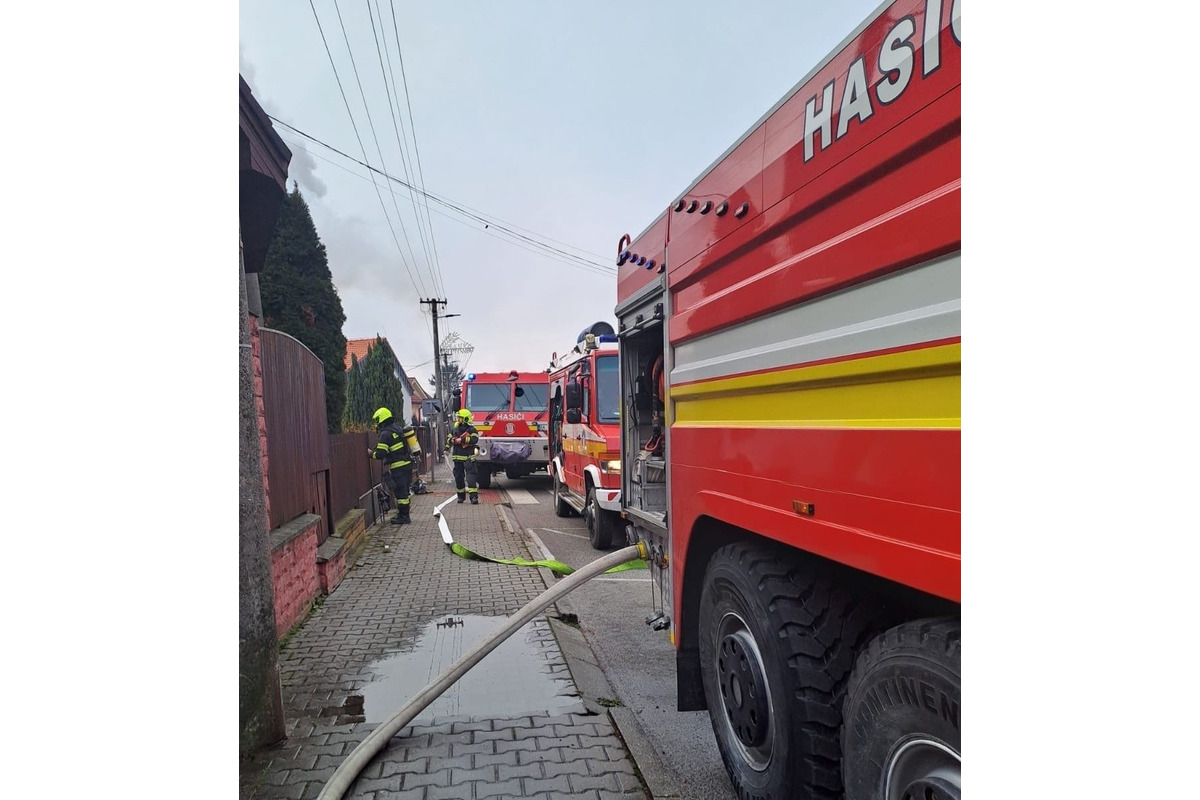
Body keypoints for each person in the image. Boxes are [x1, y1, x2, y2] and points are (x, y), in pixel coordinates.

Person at [369, 407, 415, 524]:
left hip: (398, 467)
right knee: (405, 492)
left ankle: (404, 517)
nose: (376, 423)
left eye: (377, 420)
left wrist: (371, 454)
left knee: (400, 492)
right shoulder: (397, 429)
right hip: (407, 465)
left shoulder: (385, 434)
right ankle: (403, 514)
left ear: (381, 419)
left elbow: (380, 454)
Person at [444, 408, 480, 504]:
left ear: (465, 419)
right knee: (458, 478)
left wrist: (462, 440)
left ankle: (473, 497)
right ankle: (460, 496)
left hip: (468, 457)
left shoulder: (472, 429)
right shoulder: (455, 429)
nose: (458, 419)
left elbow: (475, 439)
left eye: (460, 418)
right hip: (457, 457)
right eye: (458, 417)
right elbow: (448, 439)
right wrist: (447, 447)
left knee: (471, 477)